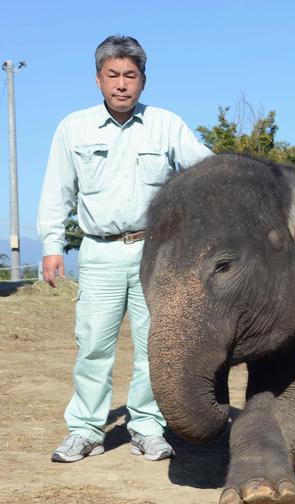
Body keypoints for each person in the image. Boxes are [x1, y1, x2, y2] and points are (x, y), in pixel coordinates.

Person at [38, 35, 213, 463]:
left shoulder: (166, 125)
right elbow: (56, 192)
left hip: (155, 253)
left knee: (153, 343)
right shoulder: (72, 128)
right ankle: (85, 430)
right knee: (93, 343)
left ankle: (147, 427)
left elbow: (206, 170)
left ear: (143, 81)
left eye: (130, 76)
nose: (121, 84)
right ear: (98, 80)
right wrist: (51, 245)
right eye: (113, 75)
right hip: (97, 252)